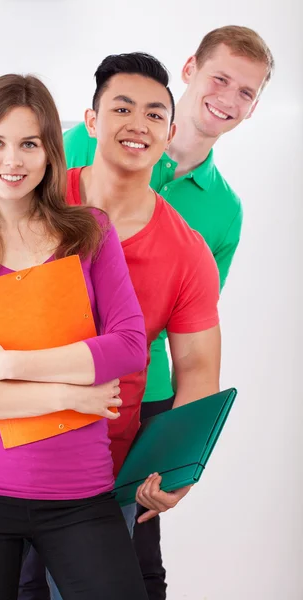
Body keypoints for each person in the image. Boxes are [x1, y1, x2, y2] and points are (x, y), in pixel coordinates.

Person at [62, 26, 274, 600]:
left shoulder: (222, 213)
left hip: (145, 394)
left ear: (254, 109)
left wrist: (177, 461)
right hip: (50, 370)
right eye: (220, 79)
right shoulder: (84, 143)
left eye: (247, 93)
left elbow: (192, 334)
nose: (228, 99)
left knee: (134, 552)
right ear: (189, 70)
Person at [0, 73, 151, 600]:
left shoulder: (89, 233)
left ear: (50, 151)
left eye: (29, 143)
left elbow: (128, 346)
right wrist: (71, 395)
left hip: (80, 496)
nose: (12, 160)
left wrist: (9, 366)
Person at [20, 51, 222, 600]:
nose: (139, 124)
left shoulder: (188, 253)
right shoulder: (30, 199)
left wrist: (173, 472)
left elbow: (199, 369)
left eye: (156, 114)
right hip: (9, 449)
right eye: (123, 108)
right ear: (91, 122)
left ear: (170, 132)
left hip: (106, 466)